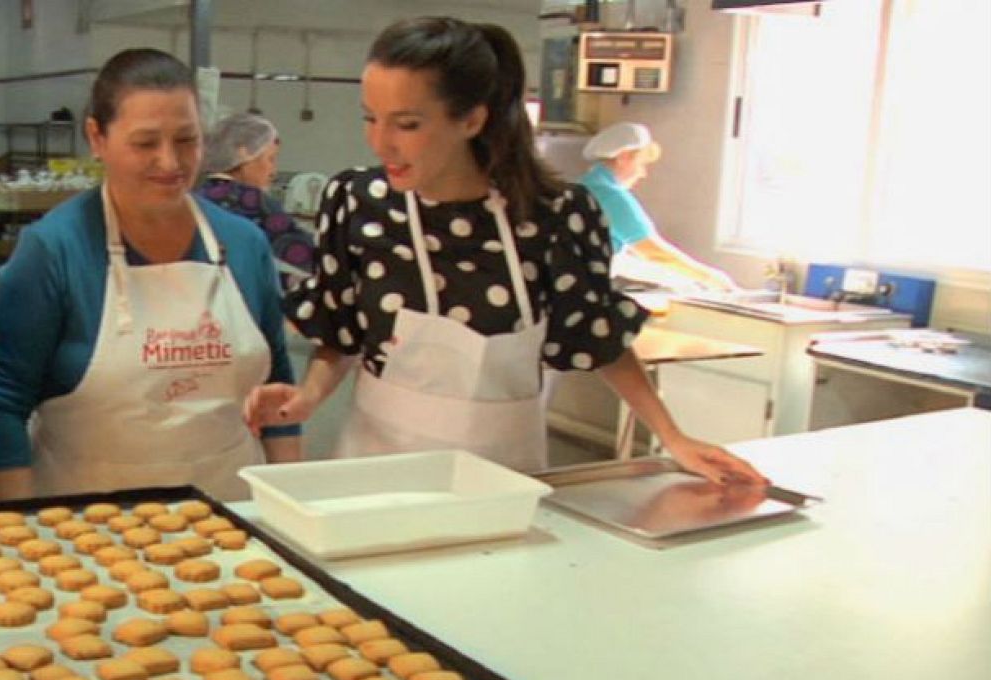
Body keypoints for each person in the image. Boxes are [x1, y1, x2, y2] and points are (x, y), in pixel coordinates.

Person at [244, 17, 763, 485]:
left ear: (471, 119)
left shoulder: (557, 214)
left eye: (406, 124)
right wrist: (306, 397)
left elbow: (596, 332)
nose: (381, 144)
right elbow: (342, 330)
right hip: (376, 468)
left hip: (507, 478)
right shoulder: (357, 203)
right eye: (370, 118)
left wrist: (674, 438)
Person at [0, 49, 302, 502]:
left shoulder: (243, 244)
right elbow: (4, 402)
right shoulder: (55, 250)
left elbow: (278, 387)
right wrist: (24, 527)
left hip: (231, 510)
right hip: (85, 523)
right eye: (146, 143)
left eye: (187, 140)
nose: (170, 163)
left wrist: (288, 503)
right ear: (97, 136)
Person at [579, 122, 737, 292]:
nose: (643, 173)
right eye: (641, 164)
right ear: (623, 157)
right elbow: (653, 252)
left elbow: (619, 260)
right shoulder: (611, 195)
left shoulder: (582, 186)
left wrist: (680, 281)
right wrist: (710, 277)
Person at [196, 112, 316, 283]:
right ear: (244, 153)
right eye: (271, 159)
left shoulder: (191, 197)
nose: (273, 171)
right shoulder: (257, 203)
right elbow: (306, 256)